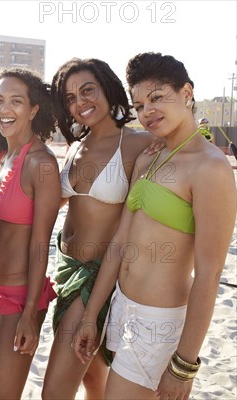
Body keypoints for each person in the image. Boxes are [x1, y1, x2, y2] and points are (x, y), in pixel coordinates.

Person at [73, 52, 237, 400]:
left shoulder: (211, 169)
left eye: (157, 97)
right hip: (123, 308)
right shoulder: (150, 155)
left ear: (187, 92)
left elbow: (209, 274)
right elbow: (120, 243)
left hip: (160, 324)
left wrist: (184, 364)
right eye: (139, 104)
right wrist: (91, 315)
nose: (147, 111)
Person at [42, 58, 160, 400]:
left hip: (97, 278)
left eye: (88, 90)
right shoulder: (77, 146)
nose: (80, 102)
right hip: (66, 271)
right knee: (93, 379)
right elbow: (59, 205)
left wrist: (92, 311)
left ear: (108, 89)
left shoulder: (139, 144)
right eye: (70, 98)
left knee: (54, 392)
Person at [0, 68, 60, 399]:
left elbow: (40, 244)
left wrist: (30, 313)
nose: (5, 109)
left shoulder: (42, 163)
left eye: (16, 101)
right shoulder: (2, 156)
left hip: (21, 296)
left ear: (34, 110)